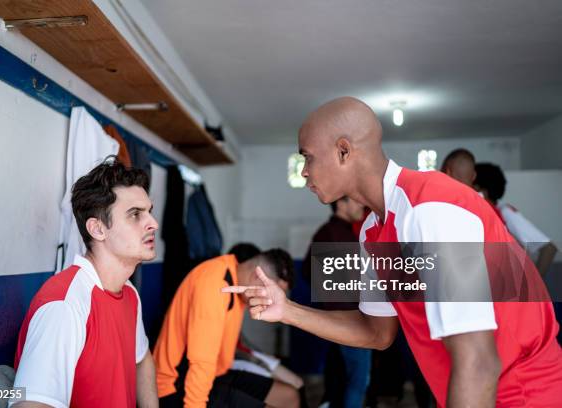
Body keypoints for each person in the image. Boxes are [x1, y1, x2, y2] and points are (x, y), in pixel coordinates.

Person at [224, 97, 562, 407]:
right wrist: (286, 310)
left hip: (523, 395)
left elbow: (479, 362)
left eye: (307, 156)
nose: (305, 172)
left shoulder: (429, 209)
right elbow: (376, 332)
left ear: (344, 151)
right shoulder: (375, 230)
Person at [11, 158, 158, 407]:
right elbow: (30, 403)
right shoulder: (65, 305)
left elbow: (141, 359)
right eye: (135, 214)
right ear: (98, 229)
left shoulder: (129, 292)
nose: (153, 223)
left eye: (149, 212)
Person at [154, 249, 298, 408]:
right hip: (177, 385)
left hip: (216, 376)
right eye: (270, 294)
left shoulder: (234, 277)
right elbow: (201, 362)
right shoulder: (215, 284)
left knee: (289, 397)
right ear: (257, 276)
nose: (270, 302)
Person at [302, 197, 372, 408]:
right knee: (357, 382)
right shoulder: (333, 234)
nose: (361, 205)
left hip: (342, 317)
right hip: (351, 320)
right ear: (341, 204)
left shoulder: (338, 232)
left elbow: (307, 271)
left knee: (345, 378)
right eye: (356, 201)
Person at [474, 162, 558, 277]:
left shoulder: (505, 212)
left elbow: (549, 249)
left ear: (482, 191)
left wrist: (533, 289)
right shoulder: (483, 215)